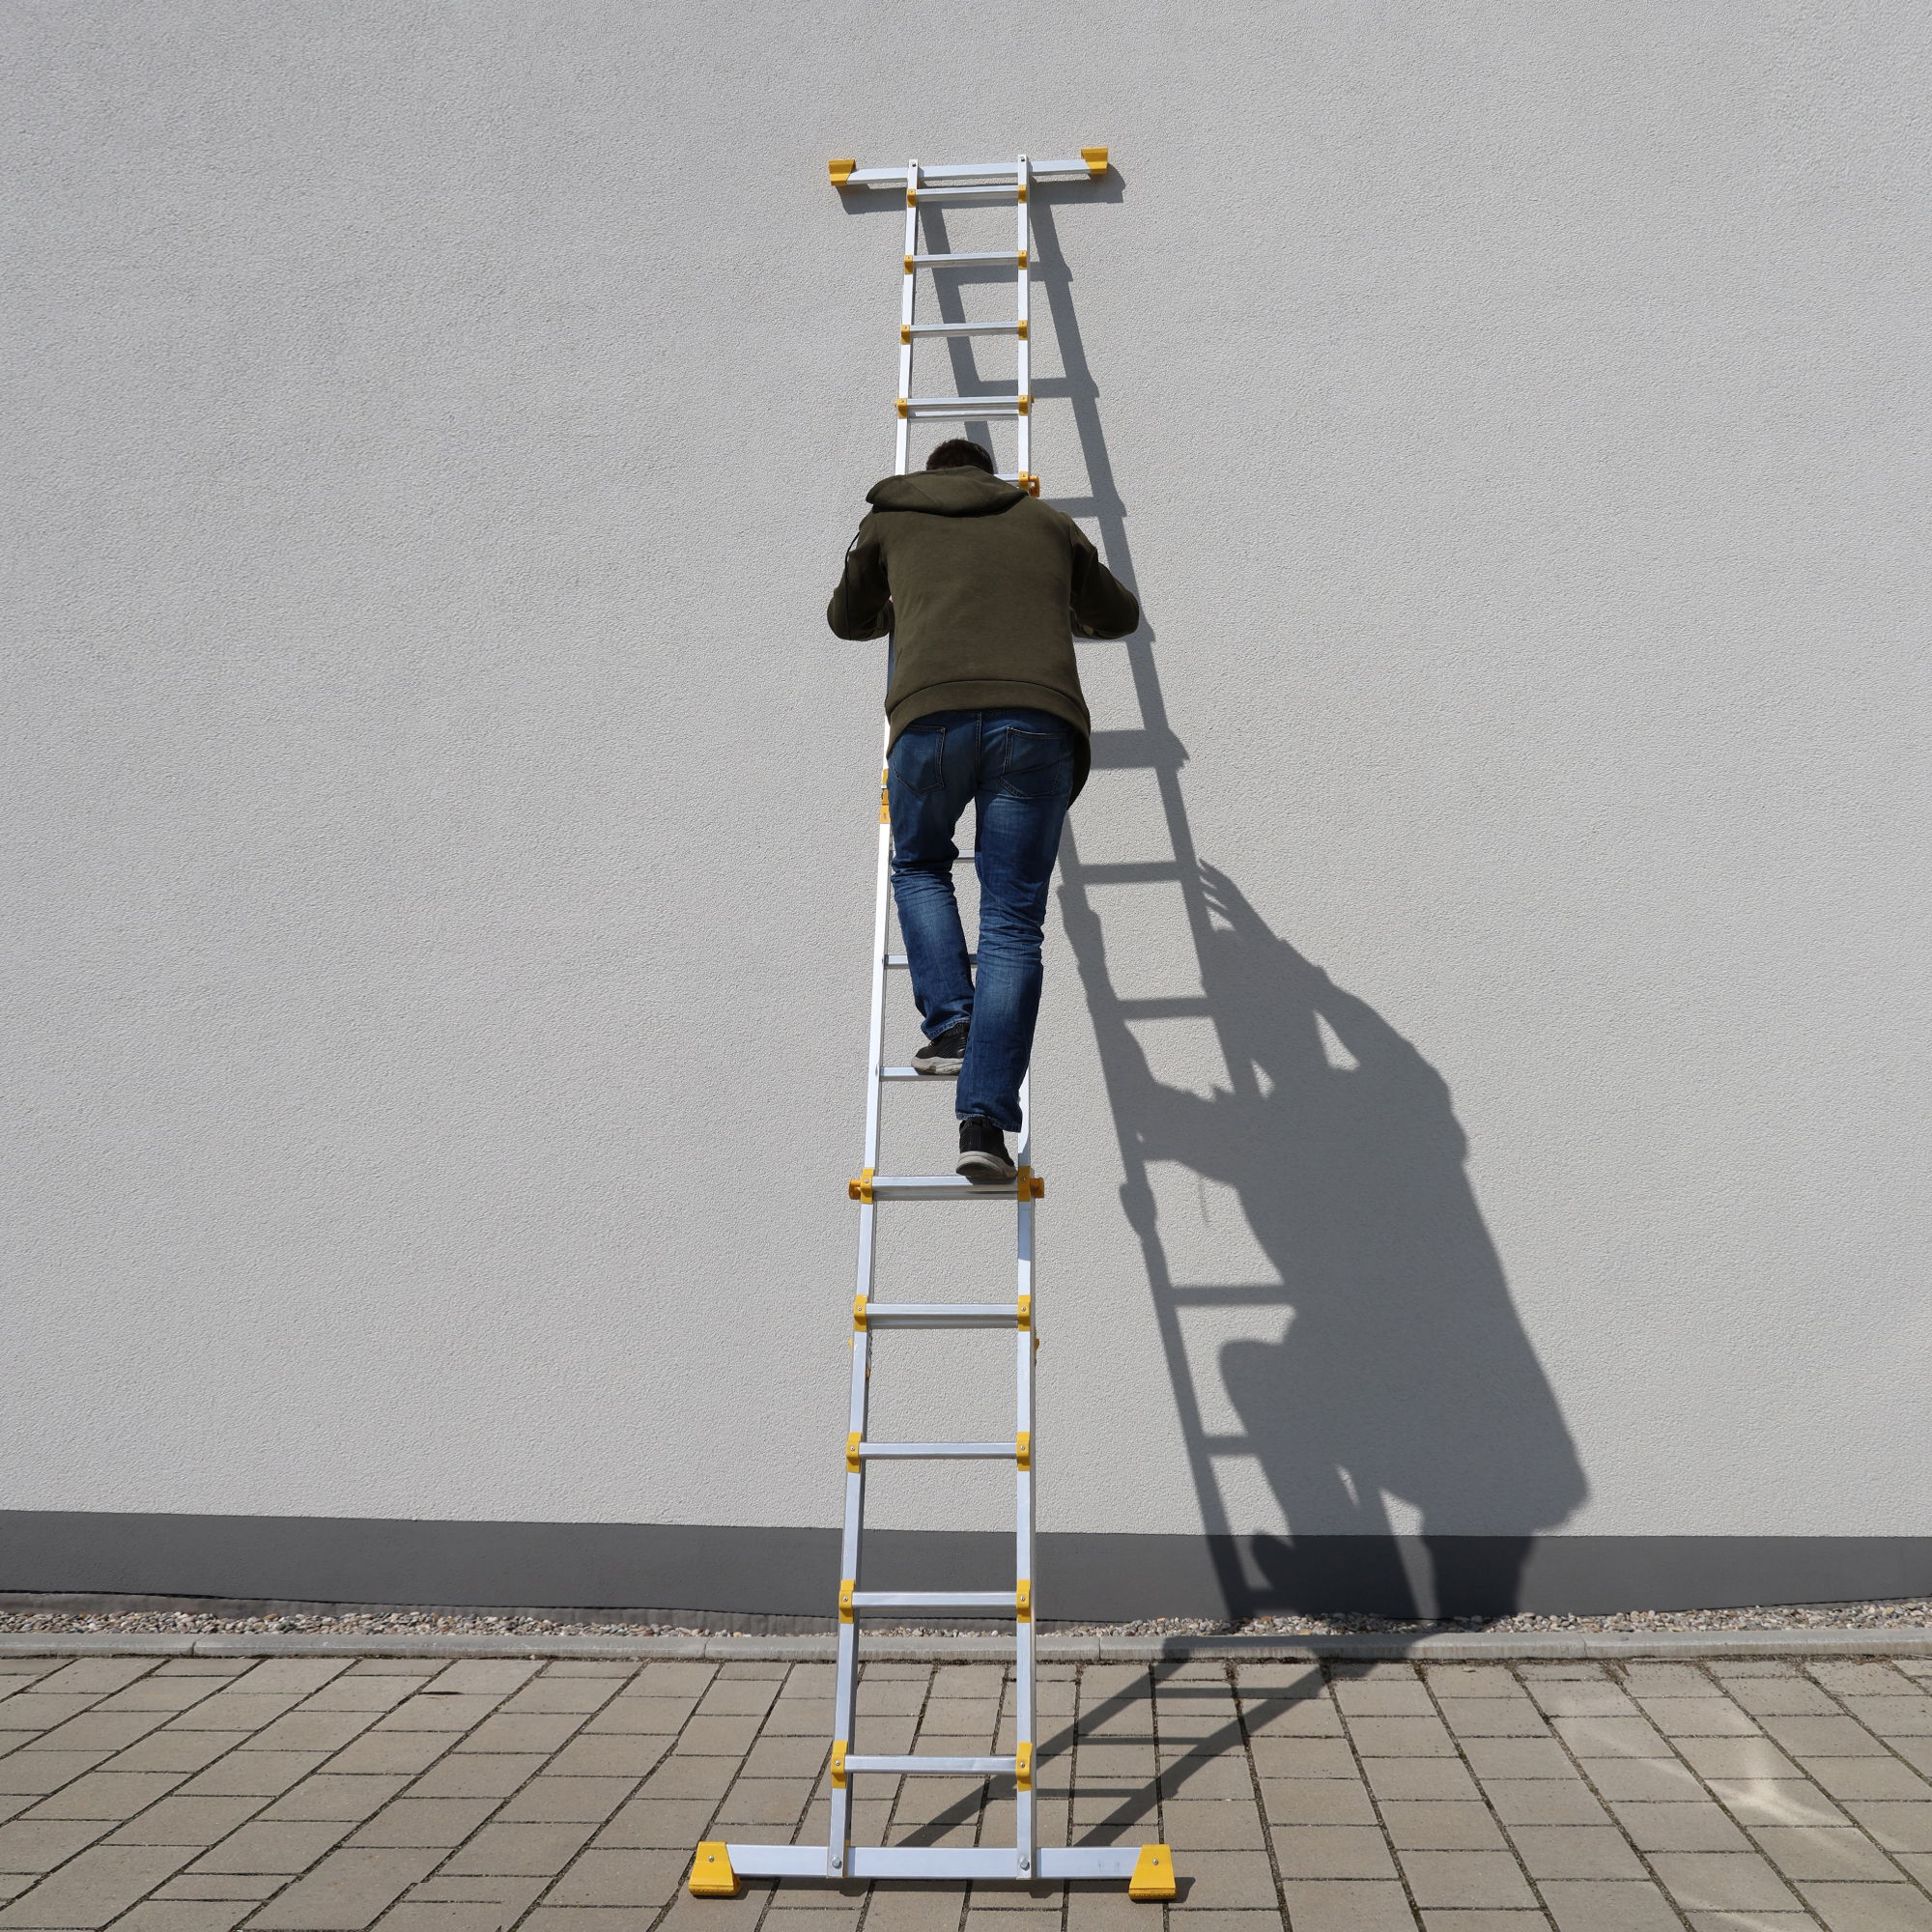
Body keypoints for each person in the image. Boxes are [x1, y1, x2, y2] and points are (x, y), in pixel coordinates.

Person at [827, 439, 1140, 1182]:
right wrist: (1049, 599)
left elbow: (847, 619)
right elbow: (1118, 615)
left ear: (928, 474)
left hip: (930, 721)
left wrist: (904, 600)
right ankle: (984, 1128)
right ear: (991, 475)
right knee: (1012, 923)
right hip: (1037, 724)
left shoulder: (889, 519)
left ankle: (952, 1021)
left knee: (920, 864)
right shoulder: (1046, 521)